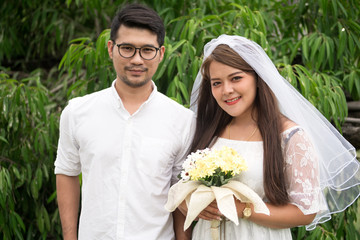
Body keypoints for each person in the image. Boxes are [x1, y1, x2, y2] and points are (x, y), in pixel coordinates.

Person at [181, 35, 360, 239]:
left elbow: (306, 212)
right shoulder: (208, 131)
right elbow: (184, 191)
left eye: (236, 78)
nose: (226, 90)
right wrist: (193, 205)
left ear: (258, 78)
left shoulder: (290, 136)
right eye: (216, 83)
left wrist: (244, 209)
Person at [55, 4, 194, 240]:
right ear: (111, 49)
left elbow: (181, 196)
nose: (137, 59)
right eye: (127, 48)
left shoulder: (183, 120)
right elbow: (67, 173)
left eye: (147, 50)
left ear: (160, 53)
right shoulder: (77, 112)